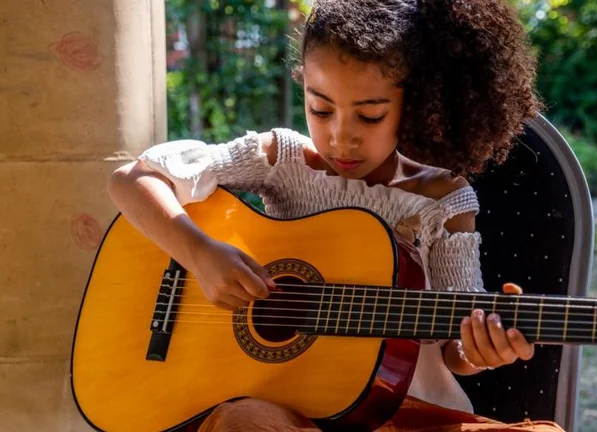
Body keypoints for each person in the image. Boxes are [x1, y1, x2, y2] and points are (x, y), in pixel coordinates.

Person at [107, 0, 564, 431]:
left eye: (369, 117)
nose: (340, 137)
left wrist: (481, 348)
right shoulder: (281, 161)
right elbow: (131, 180)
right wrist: (201, 254)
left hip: (403, 412)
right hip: (281, 407)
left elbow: (454, 347)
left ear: (419, 105)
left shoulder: (442, 200)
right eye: (320, 108)